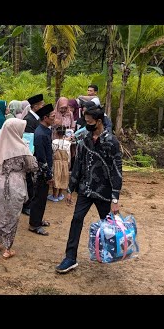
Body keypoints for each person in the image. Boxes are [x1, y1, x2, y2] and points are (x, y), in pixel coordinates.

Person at [56, 105, 122, 274]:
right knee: (76, 220)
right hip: (85, 189)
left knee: (107, 225)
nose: (86, 124)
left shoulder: (111, 142)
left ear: (99, 122)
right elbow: (78, 163)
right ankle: (70, 258)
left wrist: (115, 198)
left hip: (104, 192)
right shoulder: (85, 138)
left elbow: (116, 170)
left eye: (89, 122)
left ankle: (109, 253)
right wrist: (71, 188)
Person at [0, 118, 38, 259]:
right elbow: (33, 166)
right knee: (13, 216)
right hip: (15, 184)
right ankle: (7, 248)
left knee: (1, 214)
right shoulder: (23, 147)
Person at [29, 104, 55, 236]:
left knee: (43, 197)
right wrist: (48, 174)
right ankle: (34, 224)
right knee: (38, 197)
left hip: (46, 170)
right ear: (45, 118)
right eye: (52, 116)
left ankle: (38, 220)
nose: (54, 118)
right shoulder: (39, 134)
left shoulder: (46, 131)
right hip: (41, 172)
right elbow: (41, 157)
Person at [21, 94, 45, 216]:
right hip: (30, 153)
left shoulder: (36, 118)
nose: (43, 107)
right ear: (35, 106)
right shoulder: (28, 119)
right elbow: (28, 139)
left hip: (35, 152)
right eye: (42, 105)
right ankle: (26, 205)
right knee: (29, 180)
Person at [49, 125, 72, 202]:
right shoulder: (68, 143)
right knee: (63, 177)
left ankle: (54, 196)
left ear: (56, 133)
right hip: (65, 162)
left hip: (56, 162)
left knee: (56, 178)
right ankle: (60, 195)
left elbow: (52, 153)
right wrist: (69, 163)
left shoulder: (54, 142)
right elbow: (69, 154)